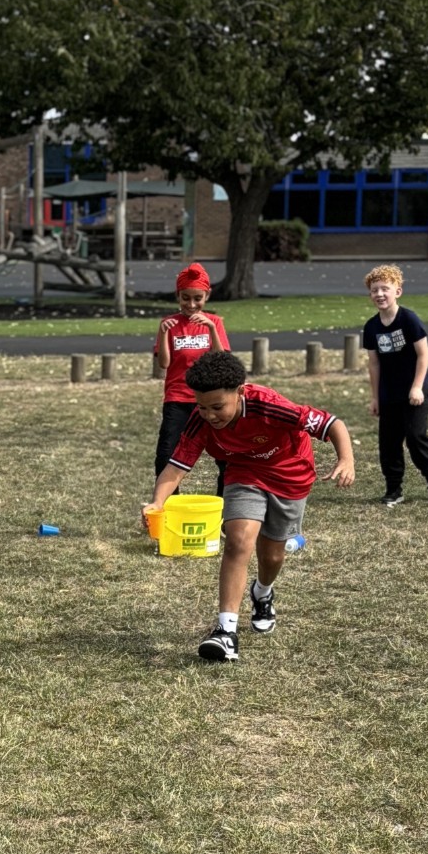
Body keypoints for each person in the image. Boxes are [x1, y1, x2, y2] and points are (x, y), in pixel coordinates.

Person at [147, 349, 354, 664]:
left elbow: (330, 423)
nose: (209, 415)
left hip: (291, 475)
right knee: (239, 542)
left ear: (240, 392)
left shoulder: (270, 406)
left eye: (217, 407)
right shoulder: (199, 420)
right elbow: (176, 466)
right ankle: (226, 632)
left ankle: (263, 592)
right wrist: (157, 503)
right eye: (202, 407)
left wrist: (346, 459)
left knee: (272, 555)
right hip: (244, 473)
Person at [361, 263, 428, 506]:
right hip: (389, 393)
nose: (379, 294)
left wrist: (417, 387)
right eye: (374, 290)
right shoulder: (371, 327)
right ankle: (394, 488)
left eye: (385, 289)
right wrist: (375, 397)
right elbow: (374, 364)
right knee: (388, 443)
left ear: (397, 291)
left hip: (414, 391)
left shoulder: (408, 319)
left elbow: (423, 355)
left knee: (415, 436)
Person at [152, 262, 230, 475]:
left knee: (225, 454)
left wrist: (212, 328)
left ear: (207, 296)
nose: (192, 304)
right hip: (178, 399)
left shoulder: (214, 321)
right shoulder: (168, 323)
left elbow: (221, 360)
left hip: (211, 398)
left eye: (198, 298)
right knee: (166, 454)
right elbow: (164, 364)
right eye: (186, 298)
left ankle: (226, 501)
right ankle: (167, 503)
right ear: (178, 295)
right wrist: (164, 333)